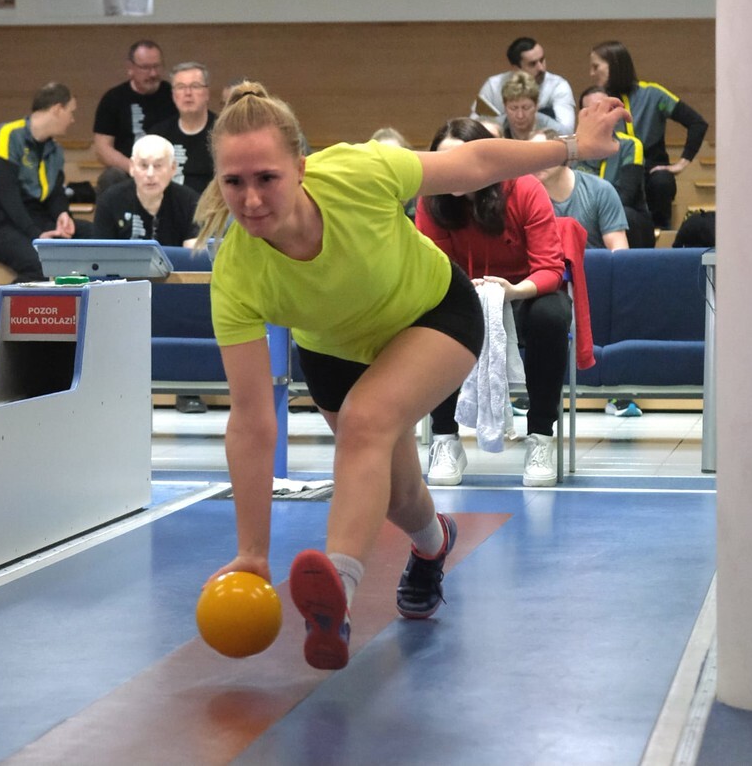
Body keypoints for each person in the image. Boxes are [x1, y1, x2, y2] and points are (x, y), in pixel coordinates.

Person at [193, 82, 624, 670]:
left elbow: (470, 163)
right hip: (338, 353)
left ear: (300, 166)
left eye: (266, 178)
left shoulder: (355, 172)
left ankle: (337, 597)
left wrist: (573, 146)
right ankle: (432, 543)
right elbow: (249, 422)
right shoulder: (237, 274)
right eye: (233, 182)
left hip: (433, 315)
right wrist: (252, 554)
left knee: (366, 425)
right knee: (396, 493)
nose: (250, 199)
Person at [416, 119, 571, 488]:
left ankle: (540, 436)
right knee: (430, 316)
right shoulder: (431, 200)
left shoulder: (525, 189)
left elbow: (551, 268)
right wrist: (466, 291)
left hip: (524, 290)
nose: (450, 172)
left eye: (459, 160)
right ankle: (445, 439)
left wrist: (514, 290)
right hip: (461, 290)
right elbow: (429, 265)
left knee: (551, 316)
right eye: (442, 162)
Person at [94, 133, 203, 414]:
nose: (150, 174)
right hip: (123, 292)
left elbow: (192, 257)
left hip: (174, 292)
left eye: (158, 165)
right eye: (143, 165)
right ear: (131, 167)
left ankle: (189, 388)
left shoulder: (190, 201)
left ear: (173, 169)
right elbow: (100, 260)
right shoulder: (110, 201)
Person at [0, 81, 91, 283]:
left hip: (36, 218)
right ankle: (2, 309)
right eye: (71, 112)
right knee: (40, 265)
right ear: (57, 109)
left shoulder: (55, 150)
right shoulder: (6, 135)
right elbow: (7, 195)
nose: (72, 120)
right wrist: (37, 235)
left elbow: (55, 193)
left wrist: (63, 214)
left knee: (93, 235)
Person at [589, 40, 709, 231]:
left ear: (614, 65)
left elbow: (697, 123)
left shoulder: (652, 94)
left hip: (652, 171)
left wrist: (681, 164)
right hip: (618, 174)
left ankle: (662, 229)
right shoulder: (598, 100)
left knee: (662, 181)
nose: (591, 73)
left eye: (596, 67)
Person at [90, 40, 178, 191]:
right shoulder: (113, 98)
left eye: (157, 66)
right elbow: (102, 148)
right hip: (127, 171)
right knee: (111, 177)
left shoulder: (174, 95)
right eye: (145, 68)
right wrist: (135, 168)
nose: (153, 74)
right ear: (130, 68)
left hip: (166, 169)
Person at [574, 86, 653, 248]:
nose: (600, 117)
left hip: (629, 219)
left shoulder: (631, 145)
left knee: (624, 214)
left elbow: (626, 195)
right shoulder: (573, 148)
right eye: (591, 111)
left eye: (604, 110)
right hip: (587, 217)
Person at [531, 130, 629, 250]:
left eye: (544, 154)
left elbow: (619, 252)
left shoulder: (599, 190)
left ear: (565, 156)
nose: (536, 161)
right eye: (531, 156)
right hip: (546, 267)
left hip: (594, 267)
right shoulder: (525, 196)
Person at [473, 36, 577, 132]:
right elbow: (473, 126)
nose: (541, 68)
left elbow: (567, 131)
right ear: (515, 68)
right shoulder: (493, 86)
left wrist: (538, 118)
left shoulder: (558, 86)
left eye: (542, 60)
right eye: (532, 64)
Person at [148, 62, 217, 195]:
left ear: (207, 93)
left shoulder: (224, 131)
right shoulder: (158, 136)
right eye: (180, 87)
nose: (188, 93)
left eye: (195, 86)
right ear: (173, 95)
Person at [498, 71, 563, 141]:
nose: (520, 115)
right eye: (513, 108)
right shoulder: (495, 130)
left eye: (526, 108)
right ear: (504, 107)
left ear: (536, 106)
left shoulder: (556, 131)